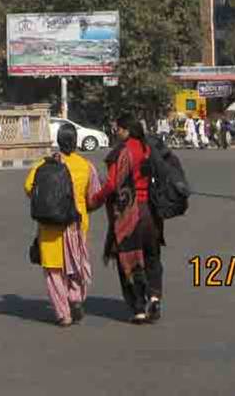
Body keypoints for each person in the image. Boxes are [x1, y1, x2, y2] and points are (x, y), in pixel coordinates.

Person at [24, 123, 101, 327]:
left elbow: (28, 187)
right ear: (76, 142)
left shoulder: (43, 164)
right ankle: (75, 298)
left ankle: (63, 313)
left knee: (54, 271)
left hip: (49, 226)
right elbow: (93, 196)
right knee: (75, 265)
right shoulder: (85, 166)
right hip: (76, 225)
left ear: (58, 141)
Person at [90, 113, 163, 324]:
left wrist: (95, 199)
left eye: (118, 129)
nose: (116, 132)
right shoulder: (147, 148)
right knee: (152, 256)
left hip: (129, 214)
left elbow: (112, 184)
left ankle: (139, 308)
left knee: (130, 261)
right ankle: (155, 296)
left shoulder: (122, 152)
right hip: (151, 210)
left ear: (126, 130)